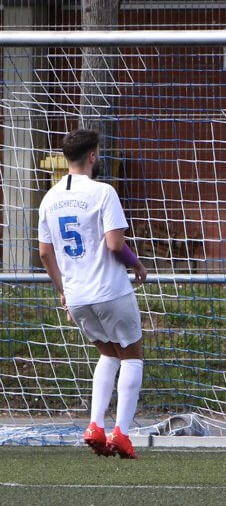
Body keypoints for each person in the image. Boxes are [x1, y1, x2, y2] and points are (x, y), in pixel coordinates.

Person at [37, 129, 148, 459]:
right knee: (132, 356)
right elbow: (115, 244)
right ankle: (122, 434)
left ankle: (95, 425)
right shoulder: (104, 192)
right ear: (93, 155)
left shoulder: (49, 198)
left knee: (108, 355)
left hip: (78, 296)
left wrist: (63, 291)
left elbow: (44, 253)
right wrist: (137, 264)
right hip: (110, 291)